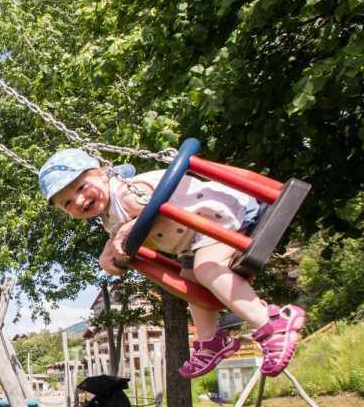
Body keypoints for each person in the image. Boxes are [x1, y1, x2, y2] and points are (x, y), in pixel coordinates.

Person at [38, 149, 303, 379]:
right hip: (195, 238)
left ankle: (272, 322)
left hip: (219, 219)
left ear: (102, 173)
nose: (80, 200)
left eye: (81, 188)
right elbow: (118, 232)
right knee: (191, 281)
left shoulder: (127, 193)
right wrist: (108, 252)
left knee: (205, 269)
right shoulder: (109, 214)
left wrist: (126, 232)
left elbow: (151, 207)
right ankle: (211, 340)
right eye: (68, 203)